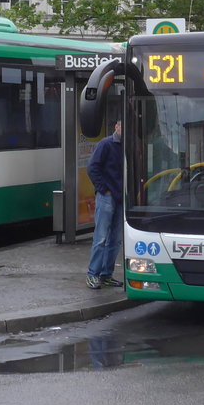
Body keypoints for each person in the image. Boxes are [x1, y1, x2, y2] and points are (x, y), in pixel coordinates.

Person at [86, 120, 124, 290]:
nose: (124, 129)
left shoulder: (127, 144)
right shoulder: (106, 144)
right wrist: (103, 189)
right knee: (101, 238)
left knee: (114, 240)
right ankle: (93, 274)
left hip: (120, 197)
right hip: (107, 197)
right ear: (116, 127)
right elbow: (92, 167)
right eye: (122, 126)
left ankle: (106, 275)